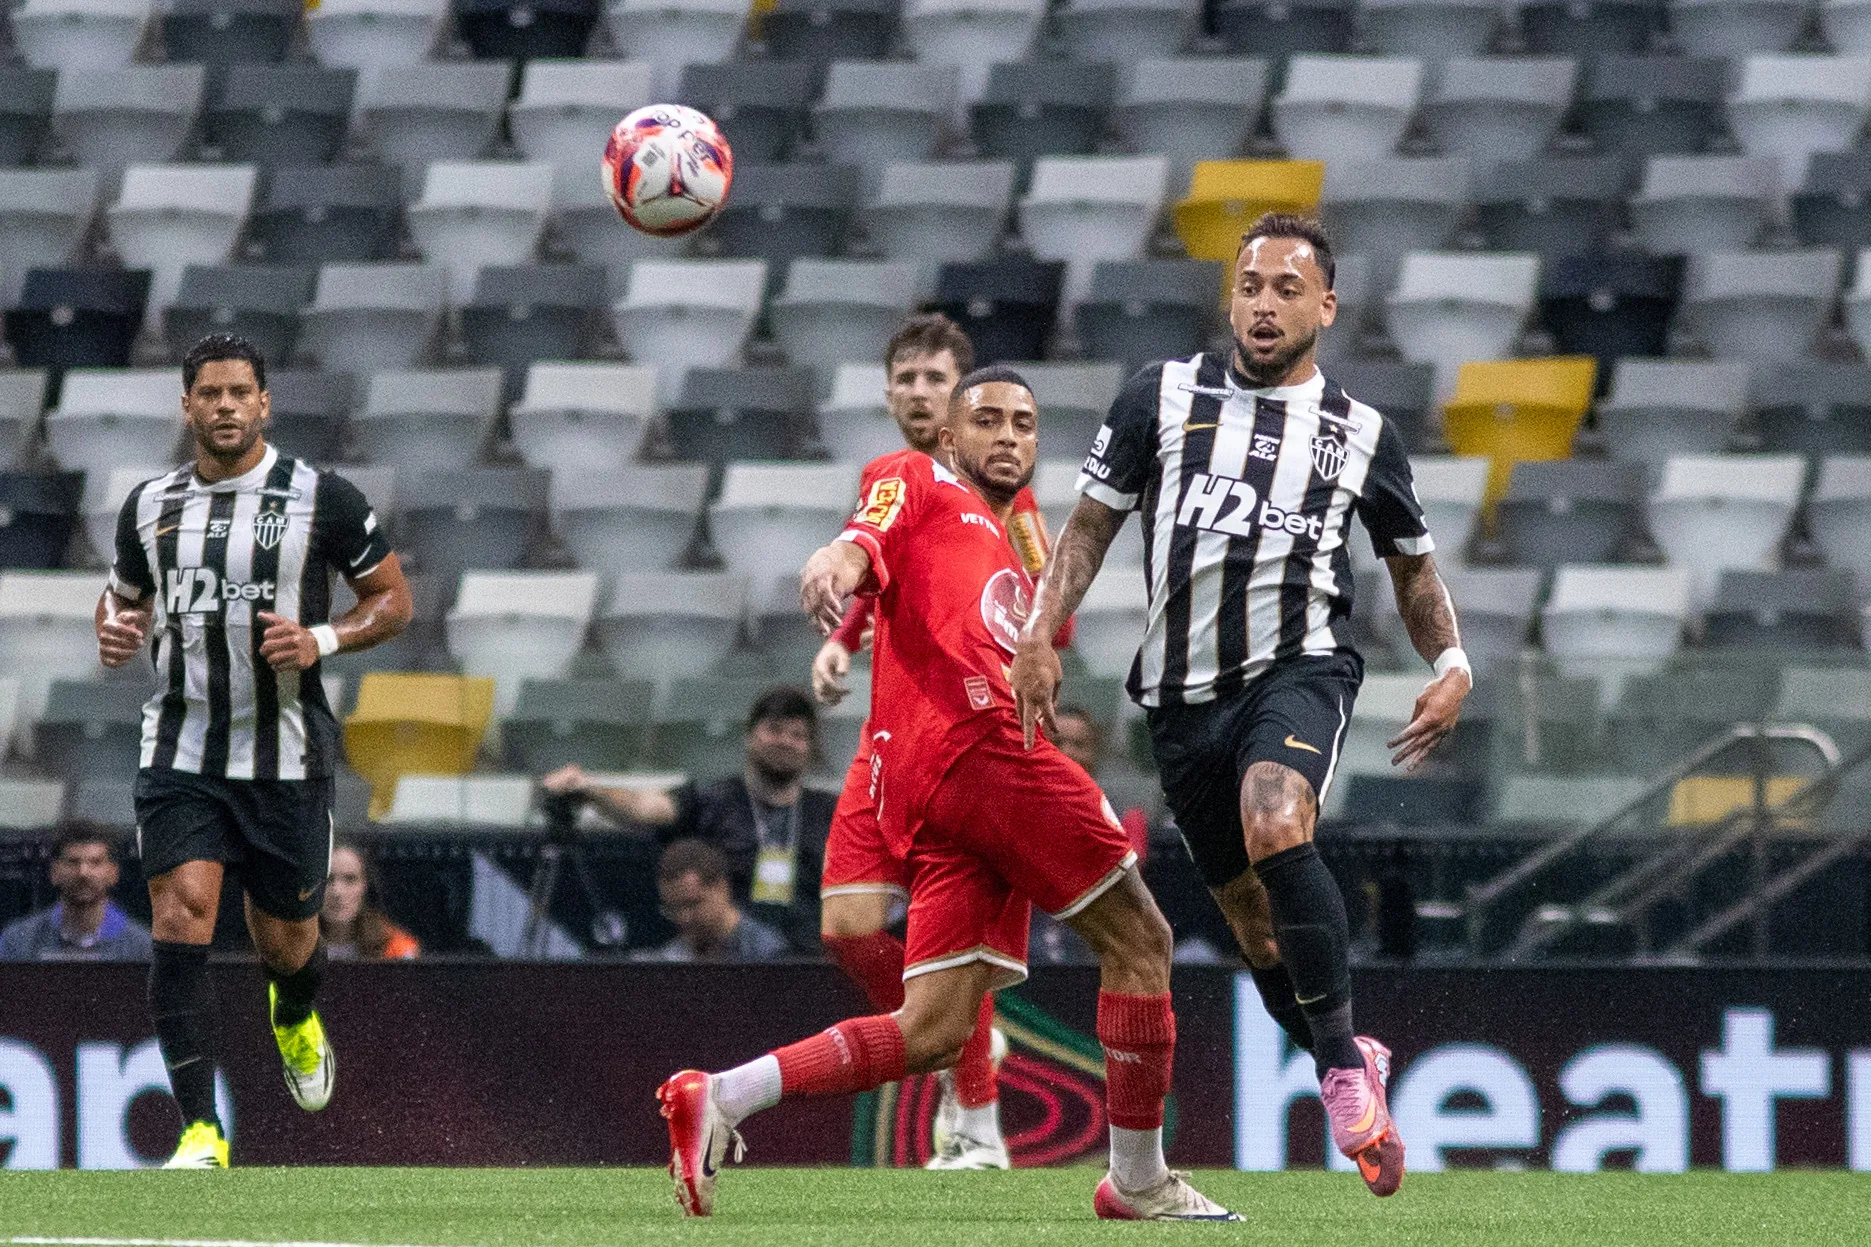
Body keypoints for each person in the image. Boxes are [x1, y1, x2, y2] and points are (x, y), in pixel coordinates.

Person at [657, 368, 1237, 1222]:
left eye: (1025, 424)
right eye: (988, 420)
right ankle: (1139, 1179)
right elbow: (866, 532)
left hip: (948, 792)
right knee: (1143, 938)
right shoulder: (920, 476)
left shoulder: (1007, 540)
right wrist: (836, 558)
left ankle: (721, 1096)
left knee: (933, 1029)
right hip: (981, 753)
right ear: (951, 437)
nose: (1008, 435)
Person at [1012, 213, 1473, 1199]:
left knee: (1276, 816)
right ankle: (1348, 1054)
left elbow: (1412, 570)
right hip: (1178, 700)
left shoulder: (1359, 434)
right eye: (1248, 285)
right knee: (1256, 934)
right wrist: (1039, 635)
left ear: (1324, 306)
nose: (1261, 304)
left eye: (1284, 289)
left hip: (1295, 669)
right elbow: (1087, 528)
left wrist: (1451, 659)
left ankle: (1342, 1072)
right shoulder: (1160, 396)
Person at [95, 333, 413, 1169]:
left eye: (241, 391)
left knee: (286, 945)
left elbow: (393, 600)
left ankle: (295, 1013)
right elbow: (121, 597)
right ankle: (200, 1129)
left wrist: (323, 638)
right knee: (180, 915)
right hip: (181, 748)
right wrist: (113, 625)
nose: (227, 405)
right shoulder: (150, 505)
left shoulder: (321, 498)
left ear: (264, 403)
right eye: (210, 392)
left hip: (286, 755)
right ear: (187, 404)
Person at [807, 312, 1074, 1170]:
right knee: (848, 928)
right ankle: (959, 1038)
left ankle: (976, 1126)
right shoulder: (895, 477)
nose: (922, 392)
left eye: (937, 379)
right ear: (889, 393)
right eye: (909, 378)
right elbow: (872, 547)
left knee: (951, 942)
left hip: (974, 744)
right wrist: (841, 638)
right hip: (889, 743)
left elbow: (1040, 608)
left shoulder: (1006, 494)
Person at [539, 687, 832, 953]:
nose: (786, 742)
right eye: (774, 730)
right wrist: (589, 790)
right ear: (749, 735)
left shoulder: (831, 812)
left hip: (809, 960)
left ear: (811, 748)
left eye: (798, 735)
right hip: (725, 962)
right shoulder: (709, 799)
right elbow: (645, 807)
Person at [0, 822, 153, 961]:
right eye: (72, 862)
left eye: (95, 862)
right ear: (54, 872)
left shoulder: (141, 947)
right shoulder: (18, 942)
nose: (83, 872)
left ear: (113, 873)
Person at [638, 839, 789, 964]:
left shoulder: (768, 953)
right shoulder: (674, 955)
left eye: (693, 904)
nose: (684, 917)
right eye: (674, 909)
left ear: (722, 888)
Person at [321, 841, 419, 961]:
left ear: (366, 887)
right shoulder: (293, 946)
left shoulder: (396, 947)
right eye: (328, 880)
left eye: (350, 879)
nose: (337, 892)